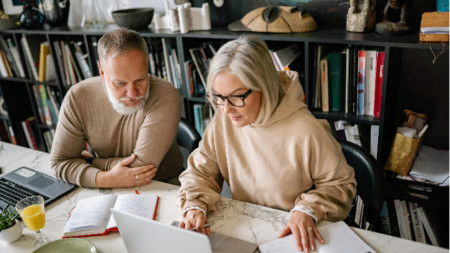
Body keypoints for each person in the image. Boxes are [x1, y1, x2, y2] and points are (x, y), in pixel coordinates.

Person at [176, 36, 356, 253]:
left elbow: (341, 185)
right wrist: (194, 205)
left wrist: (307, 209)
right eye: (218, 97)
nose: (226, 109)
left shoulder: (306, 129)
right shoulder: (224, 117)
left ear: (263, 86)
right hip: (248, 232)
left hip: (293, 237)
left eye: (236, 97)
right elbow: (200, 173)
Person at [50, 28, 183, 188]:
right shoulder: (78, 97)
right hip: (106, 187)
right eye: (120, 83)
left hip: (164, 185)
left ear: (147, 63)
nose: (132, 93)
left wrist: (91, 162)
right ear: (101, 71)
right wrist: (104, 178)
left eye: (140, 79)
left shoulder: (165, 95)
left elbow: (141, 169)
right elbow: (60, 163)